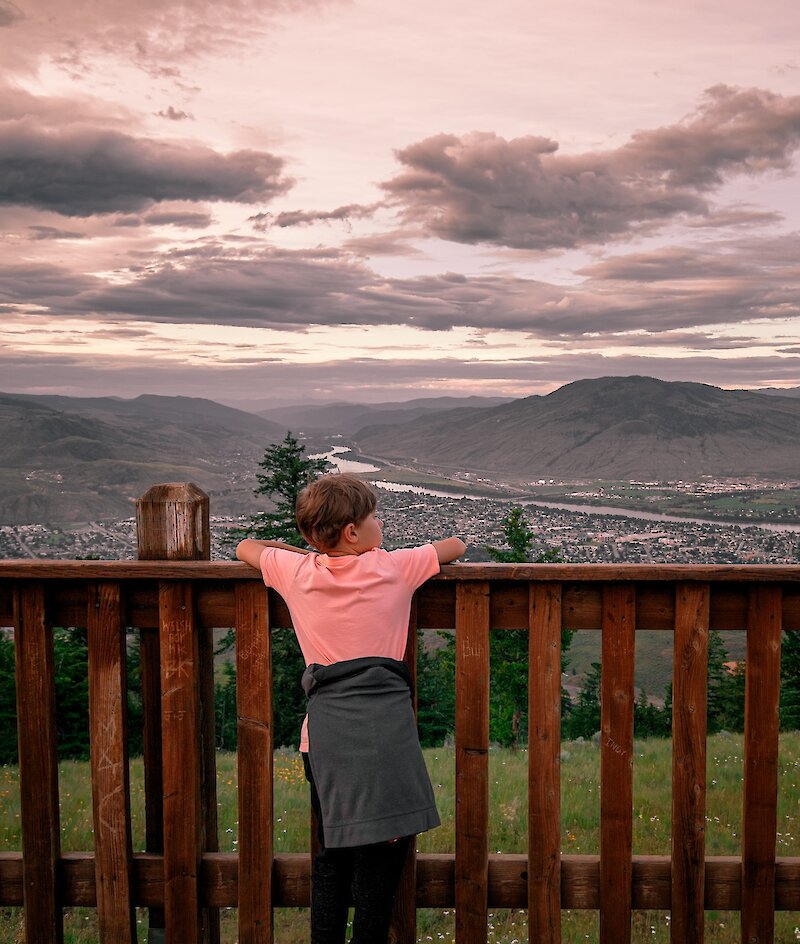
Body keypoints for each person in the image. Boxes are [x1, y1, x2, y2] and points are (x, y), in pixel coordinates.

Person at [236, 472, 466, 944]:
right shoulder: (395, 568)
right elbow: (455, 545)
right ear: (353, 532)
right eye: (373, 517)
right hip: (384, 739)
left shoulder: (298, 573)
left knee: (332, 858)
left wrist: (307, 553)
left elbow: (247, 546)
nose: (380, 523)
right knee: (380, 869)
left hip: (322, 741)